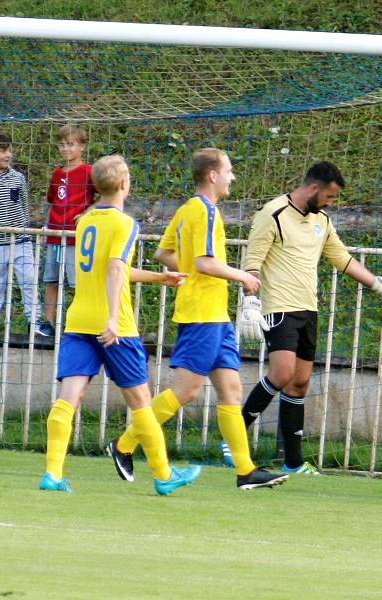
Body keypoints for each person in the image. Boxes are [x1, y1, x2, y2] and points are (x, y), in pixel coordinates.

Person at [106, 148, 288, 490]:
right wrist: (243, 276)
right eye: (229, 170)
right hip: (201, 314)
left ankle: (245, 470)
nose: (233, 176)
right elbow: (204, 263)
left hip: (216, 316)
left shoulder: (189, 208)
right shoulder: (203, 212)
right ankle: (123, 445)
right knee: (185, 392)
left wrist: (187, 268)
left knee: (232, 390)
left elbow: (164, 253)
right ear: (212, 175)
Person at [232, 161, 382, 475]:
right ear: (314, 188)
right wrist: (250, 299)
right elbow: (253, 259)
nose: (331, 203)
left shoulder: (323, 221)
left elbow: (341, 258)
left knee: (299, 384)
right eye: (329, 196)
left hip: (308, 309)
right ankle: (231, 438)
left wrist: (379, 286)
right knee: (282, 373)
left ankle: (292, 463)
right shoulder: (272, 213)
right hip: (279, 307)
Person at [39, 154, 201, 495]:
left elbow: (113, 269)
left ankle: (52, 473)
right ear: (125, 184)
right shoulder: (126, 224)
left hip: (78, 321)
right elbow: (114, 269)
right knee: (141, 400)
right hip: (116, 328)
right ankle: (163, 475)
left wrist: (159, 276)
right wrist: (112, 318)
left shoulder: (85, 220)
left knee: (69, 396)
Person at [39, 124, 96, 337]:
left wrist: (87, 213)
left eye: (71, 144)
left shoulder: (89, 172)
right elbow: (53, 200)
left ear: (82, 147)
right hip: (55, 235)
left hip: (75, 237)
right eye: (62, 145)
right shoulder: (57, 174)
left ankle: (76, 322)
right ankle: (48, 323)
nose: (66, 149)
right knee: (51, 279)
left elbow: (103, 197)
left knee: (76, 282)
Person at [0, 132, 39, 334]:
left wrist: (22, 227)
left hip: (21, 241)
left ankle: (35, 324)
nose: (8, 155)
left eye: (10, 151)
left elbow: (24, 204)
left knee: (29, 282)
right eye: (3, 150)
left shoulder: (17, 178)